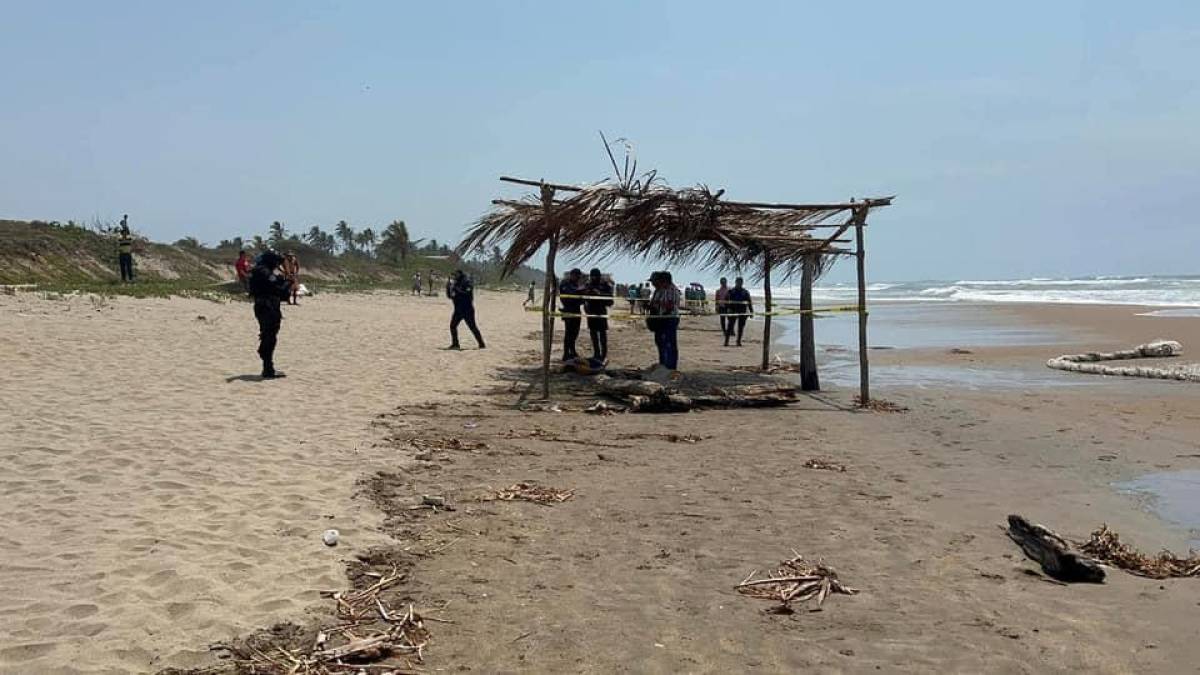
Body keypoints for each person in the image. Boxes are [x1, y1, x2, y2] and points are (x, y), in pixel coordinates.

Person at [247, 250, 293, 378]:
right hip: (268, 306)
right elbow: (279, 291)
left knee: (267, 334)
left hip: (262, 305)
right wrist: (288, 282)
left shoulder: (259, 270)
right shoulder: (264, 272)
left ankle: (267, 365)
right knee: (270, 336)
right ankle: (268, 368)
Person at [447, 270, 485, 350]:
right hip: (458, 309)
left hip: (467, 309)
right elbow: (450, 296)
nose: (454, 277)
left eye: (456, 275)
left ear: (460, 274)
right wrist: (448, 288)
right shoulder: (455, 283)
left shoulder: (467, 282)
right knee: (453, 326)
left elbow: (467, 294)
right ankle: (455, 344)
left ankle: (481, 344)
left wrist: (457, 290)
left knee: (472, 327)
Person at [584, 268, 613, 363]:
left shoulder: (605, 285)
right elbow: (585, 298)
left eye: (595, 276)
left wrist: (600, 294)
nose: (593, 278)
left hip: (601, 312)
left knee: (602, 335)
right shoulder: (588, 285)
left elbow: (610, 301)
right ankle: (596, 353)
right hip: (591, 312)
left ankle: (603, 354)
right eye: (592, 276)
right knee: (593, 335)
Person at [558, 268, 584, 361]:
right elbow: (570, 293)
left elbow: (581, 299)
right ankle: (566, 353)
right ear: (572, 275)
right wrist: (581, 290)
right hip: (568, 310)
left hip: (576, 310)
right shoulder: (565, 283)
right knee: (568, 333)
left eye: (578, 277)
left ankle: (572, 351)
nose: (577, 278)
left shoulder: (576, 284)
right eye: (576, 276)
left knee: (575, 333)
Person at [725, 276, 753, 347]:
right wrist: (727, 309)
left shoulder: (745, 292)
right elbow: (726, 301)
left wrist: (751, 311)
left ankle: (738, 341)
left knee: (741, 327)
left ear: (742, 283)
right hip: (733, 310)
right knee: (730, 326)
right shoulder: (731, 291)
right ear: (736, 282)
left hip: (742, 311)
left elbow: (749, 302)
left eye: (740, 282)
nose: (739, 283)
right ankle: (726, 341)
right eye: (738, 282)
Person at [117, 216, 134, 282]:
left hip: (127, 254)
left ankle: (130, 279)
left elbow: (127, 232)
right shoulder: (120, 238)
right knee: (122, 268)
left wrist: (125, 223)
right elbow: (121, 236)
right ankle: (123, 279)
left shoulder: (128, 237)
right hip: (122, 254)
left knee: (129, 267)